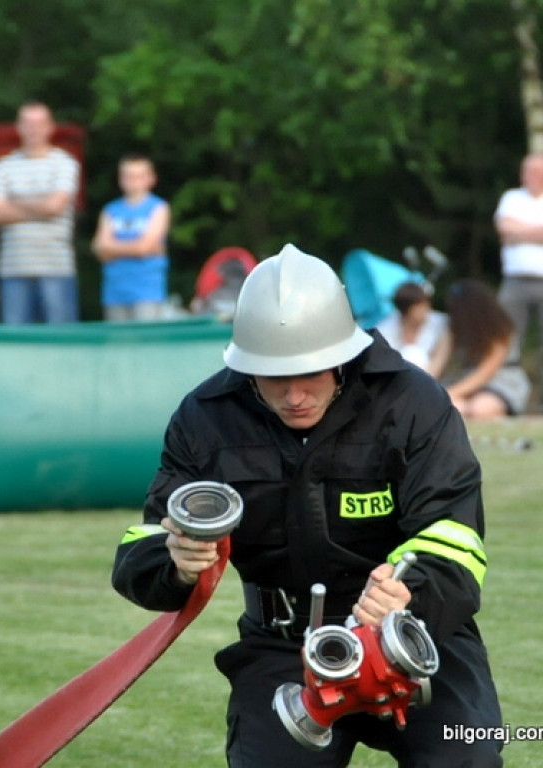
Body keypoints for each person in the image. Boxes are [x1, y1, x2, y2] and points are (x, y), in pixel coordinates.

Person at [111, 244, 503, 767]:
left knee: (466, 756)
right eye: (275, 377)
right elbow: (143, 545)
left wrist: (410, 595)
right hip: (282, 647)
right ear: (246, 366)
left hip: (413, 636)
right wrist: (175, 561)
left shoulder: (414, 403)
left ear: (342, 356)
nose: (294, 395)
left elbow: (455, 534)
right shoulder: (205, 418)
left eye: (310, 373)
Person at [0, 101, 80, 324]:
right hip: (13, 268)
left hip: (56, 267)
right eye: (28, 123)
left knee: (62, 338)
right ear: (19, 127)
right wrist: (42, 206)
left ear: (50, 127)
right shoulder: (2, 166)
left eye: (39, 124)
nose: (33, 129)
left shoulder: (65, 164)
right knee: (16, 340)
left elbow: (55, 206)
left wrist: (15, 203)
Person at [91, 154, 170, 321]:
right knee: (117, 337)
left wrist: (113, 247)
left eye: (139, 176)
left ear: (151, 179)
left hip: (147, 292)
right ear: (121, 180)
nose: (134, 181)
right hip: (114, 292)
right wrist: (138, 247)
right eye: (129, 176)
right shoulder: (111, 210)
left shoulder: (158, 207)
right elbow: (100, 249)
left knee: (146, 337)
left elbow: (144, 248)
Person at [437, 278, 531, 419]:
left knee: (479, 408)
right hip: (465, 379)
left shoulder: (500, 330)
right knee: (456, 408)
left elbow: (486, 372)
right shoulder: (452, 330)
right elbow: (438, 361)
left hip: (501, 382)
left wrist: (451, 392)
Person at [495, 152, 543, 409]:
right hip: (514, 282)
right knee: (506, 341)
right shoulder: (511, 198)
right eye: (527, 171)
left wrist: (519, 232)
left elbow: (512, 231)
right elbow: (504, 228)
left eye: (536, 172)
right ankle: (504, 398)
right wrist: (537, 232)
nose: (531, 177)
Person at [375, 281, 448, 376]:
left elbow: (439, 358)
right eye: (419, 307)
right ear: (406, 310)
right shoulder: (385, 330)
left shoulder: (441, 324)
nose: (425, 310)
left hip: (432, 377)